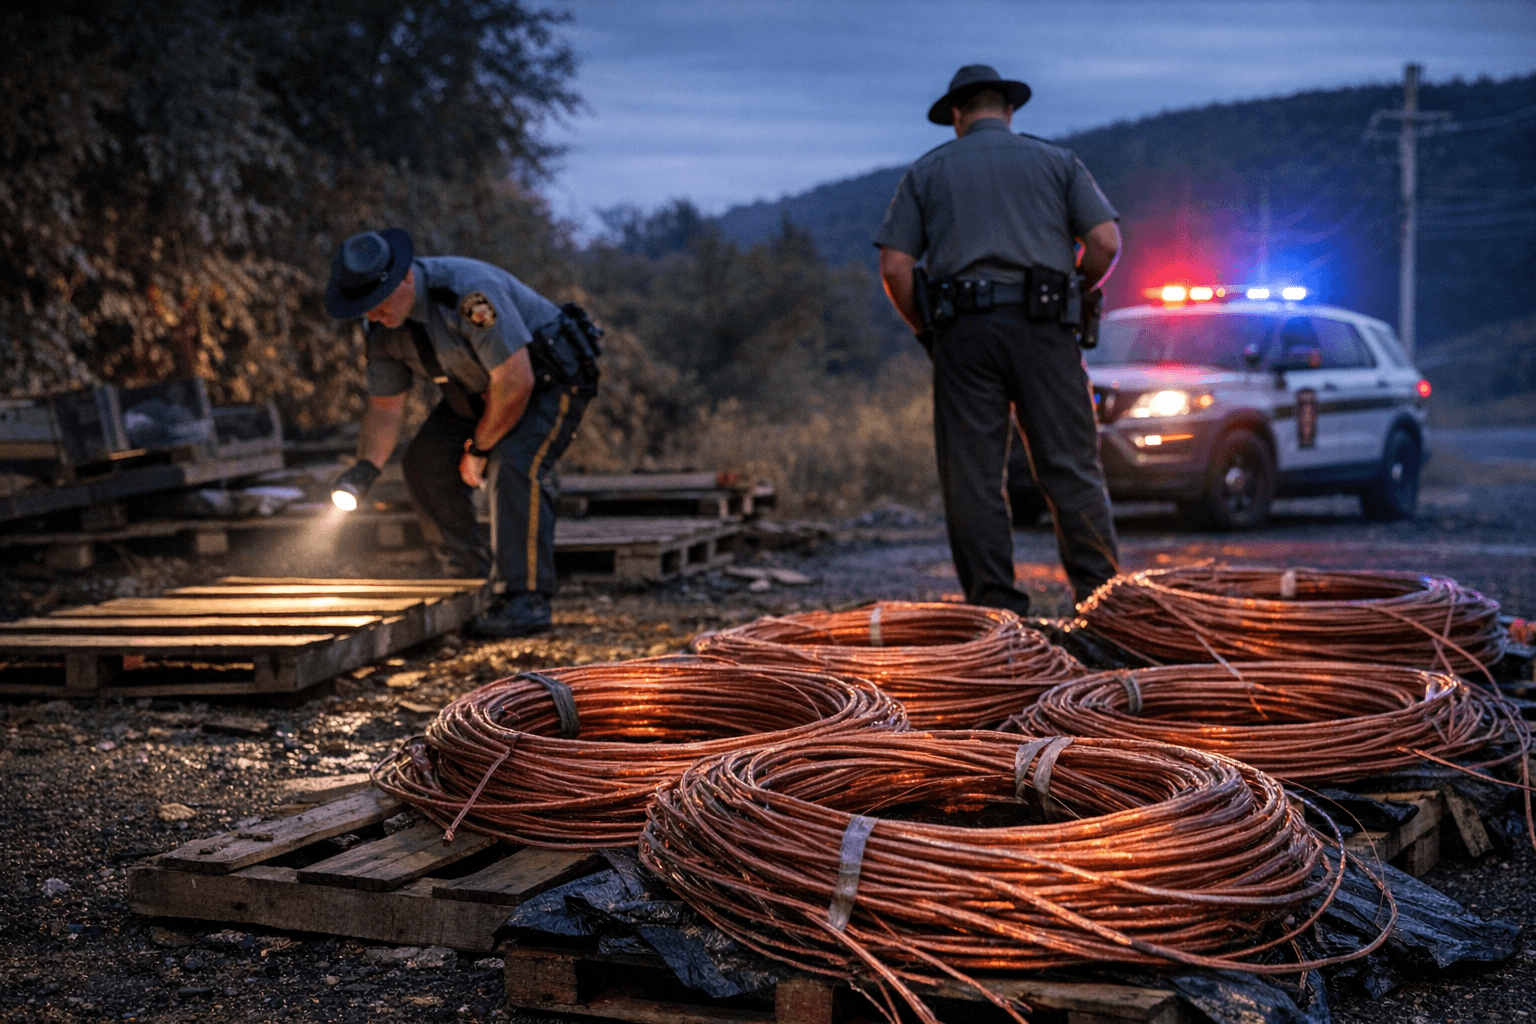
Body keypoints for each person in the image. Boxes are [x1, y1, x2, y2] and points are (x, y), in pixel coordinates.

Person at [875, 64, 1122, 613]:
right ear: (1009, 112)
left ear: (957, 117)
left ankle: (997, 614)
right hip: (1046, 330)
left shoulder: (926, 172)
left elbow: (895, 268)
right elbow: (1105, 241)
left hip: (964, 335)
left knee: (975, 476)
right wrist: (1074, 288)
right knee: (1070, 467)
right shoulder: (1058, 162)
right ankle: (1103, 608)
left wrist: (928, 331)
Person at [324, 229, 601, 637]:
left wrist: (480, 447)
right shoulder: (383, 328)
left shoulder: (468, 294)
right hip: (480, 389)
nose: (372, 316)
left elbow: (516, 380)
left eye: (377, 305)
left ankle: (525, 600)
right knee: (423, 464)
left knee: (514, 465)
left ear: (403, 280)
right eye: (363, 309)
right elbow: (385, 408)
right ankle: (469, 573)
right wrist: (366, 468)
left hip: (548, 379)